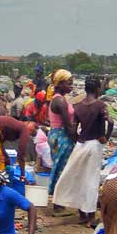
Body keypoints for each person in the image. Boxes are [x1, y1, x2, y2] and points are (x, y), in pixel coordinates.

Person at [53, 75, 113, 226]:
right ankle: (91, 217)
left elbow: (73, 129)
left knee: (77, 177)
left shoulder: (77, 106)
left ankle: (81, 214)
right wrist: (106, 136)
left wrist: (79, 138)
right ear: (98, 88)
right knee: (91, 180)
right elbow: (110, 122)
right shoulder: (100, 105)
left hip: (81, 144)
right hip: (95, 145)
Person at [47, 69, 76, 210]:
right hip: (61, 135)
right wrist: (78, 141)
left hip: (56, 134)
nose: (71, 86)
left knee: (60, 167)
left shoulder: (59, 98)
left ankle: (59, 200)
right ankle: (58, 203)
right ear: (60, 84)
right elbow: (68, 125)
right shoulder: (60, 101)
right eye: (69, 83)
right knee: (62, 169)